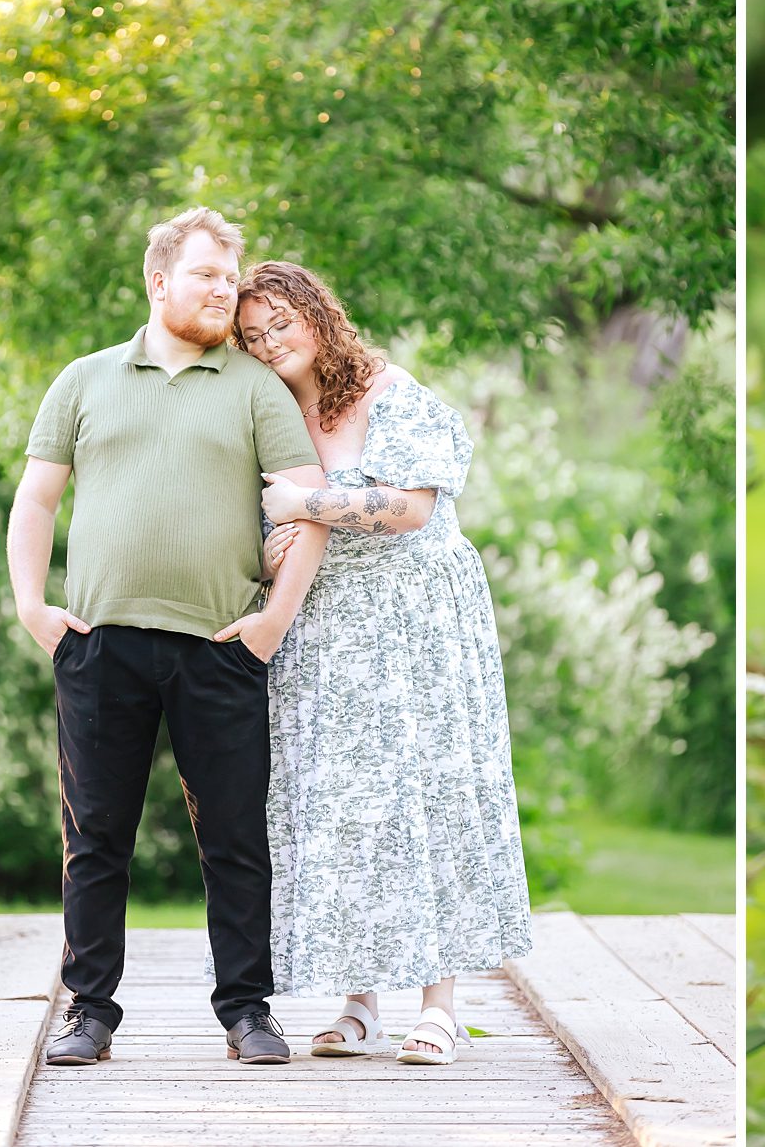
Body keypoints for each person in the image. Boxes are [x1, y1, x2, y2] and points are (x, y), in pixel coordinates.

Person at [9, 207, 331, 1068]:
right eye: (207, 275)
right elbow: (37, 498)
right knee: (96, 836)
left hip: (219, 647)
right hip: (100, 642)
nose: (225, 290)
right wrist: (32, 607)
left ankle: (247, 1010)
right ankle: (89, 1012)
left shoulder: (256, 387)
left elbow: (307, 504)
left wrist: (271, 623)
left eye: (231, 277)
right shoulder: (84, 379)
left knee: (234, 835)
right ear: (159, 281)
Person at [237, 261, 533, 1066]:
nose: (268, 343)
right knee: (346, 807)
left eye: (281, 325)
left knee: (423, 792)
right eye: (252, 334)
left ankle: (438, 1002)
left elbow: (412, 507)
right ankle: (358, 998)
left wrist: (305, 505)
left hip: (415, 619)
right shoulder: (269, 410)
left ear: (317, 316)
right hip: (327, 628)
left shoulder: (386, 391)